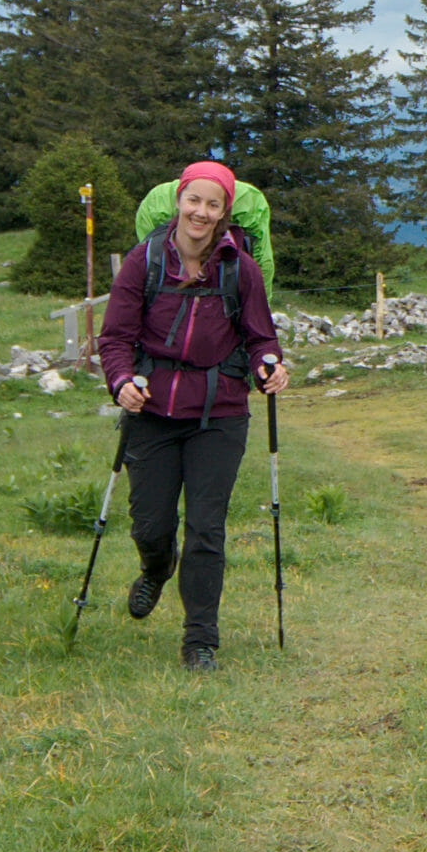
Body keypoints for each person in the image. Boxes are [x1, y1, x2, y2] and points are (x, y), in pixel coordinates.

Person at [98, 160, 286, 671]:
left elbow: (260, 336)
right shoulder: (146, 261)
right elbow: (114, 337)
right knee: (150, 524)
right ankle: (156, 567)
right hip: (152, 410)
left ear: (225, 213)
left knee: (206, 528)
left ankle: (199, 640)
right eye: (193, 200)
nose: (200, 212)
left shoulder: (239, 268)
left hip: (219, 414)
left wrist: (269, 366)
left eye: (213, 204)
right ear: (178, 202)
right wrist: (120, 383)